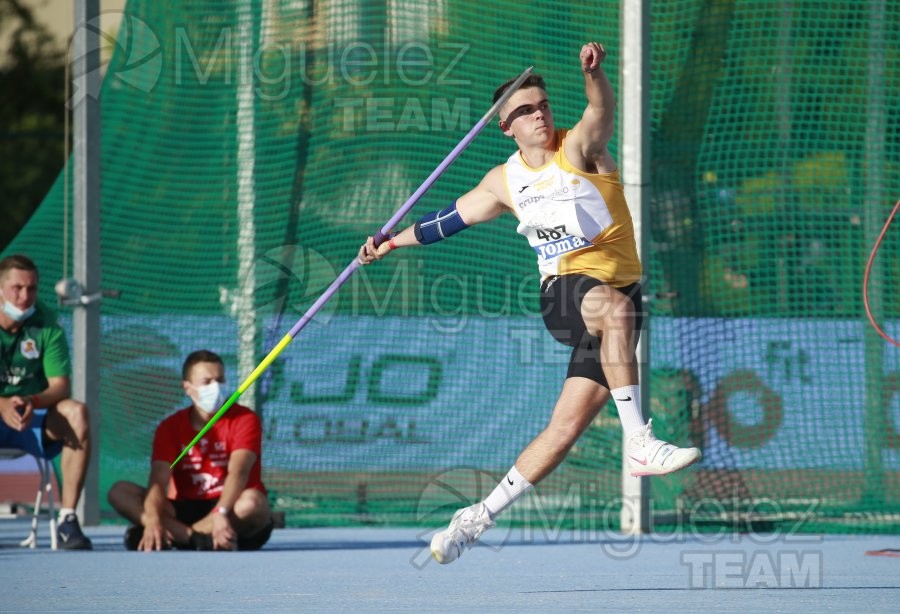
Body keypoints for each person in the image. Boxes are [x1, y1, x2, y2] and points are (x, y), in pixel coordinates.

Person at [358, 42, 702, 564]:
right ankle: (639, 440)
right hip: (565, 293)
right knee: (613, 310)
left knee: (564, 430)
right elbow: (446, 221)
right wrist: (388, 242)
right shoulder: (503, 180)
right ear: (506, 127)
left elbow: (601, 110)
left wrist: (595, 74)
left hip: (619, 299)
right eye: (524, 111)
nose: (537, 114)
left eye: (542, 105)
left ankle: (474, 518)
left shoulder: (579, 148)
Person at [107, 350, 273, 551]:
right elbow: (158, 482)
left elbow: (239, 471)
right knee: (120, 491)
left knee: (253, 503)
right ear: (188, 388)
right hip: (187, 506)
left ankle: (175, 537)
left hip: (230, 506)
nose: (216, 387)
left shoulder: (245, 419)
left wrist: (220, 511)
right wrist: (152, 520)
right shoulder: (170, 427)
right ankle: (192, 539)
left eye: (220, 380)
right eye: (207, 382)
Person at [0, 254, 93, 550]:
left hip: (31, 419)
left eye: (32, 288)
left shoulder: (46, 323)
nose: (25, 296)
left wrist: (31, 399)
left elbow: (60, 386)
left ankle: (67, 520)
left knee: (76, 413)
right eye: (17, 288)